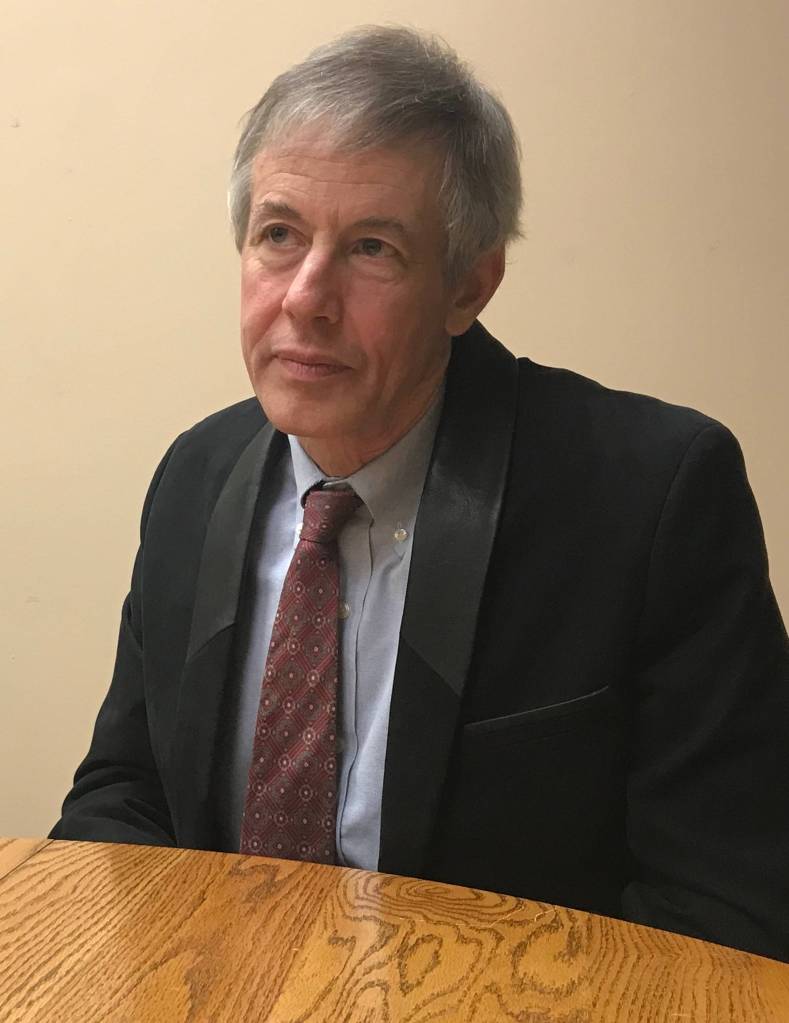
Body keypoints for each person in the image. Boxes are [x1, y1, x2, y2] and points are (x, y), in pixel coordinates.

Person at [51, 25, 789, 961]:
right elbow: (125, 796)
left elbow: (725, 911)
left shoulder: (651, 496)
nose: (305, 297)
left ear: (468, 287)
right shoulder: (194, 475)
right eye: (278, 235)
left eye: (371, 248)